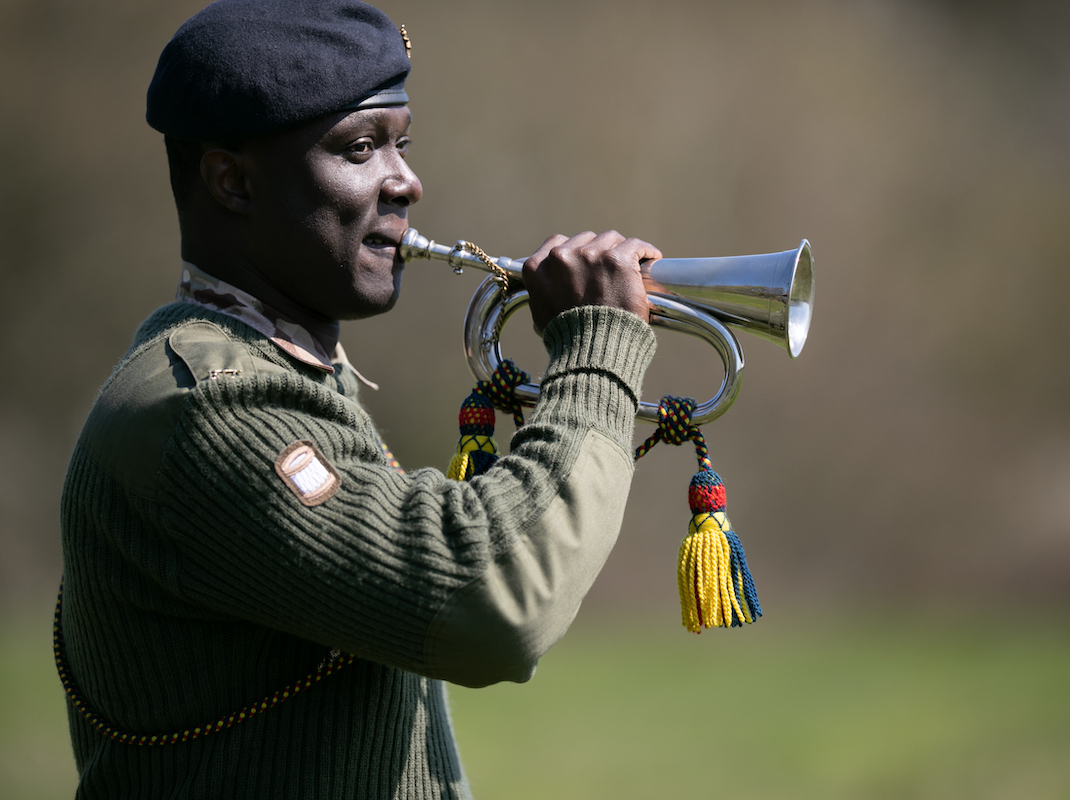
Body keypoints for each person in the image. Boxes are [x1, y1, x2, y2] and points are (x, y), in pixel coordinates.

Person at [56, 1, 659, 797]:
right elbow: (493, 603)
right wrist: (594, 358)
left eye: (401, 144)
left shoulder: (283, 370)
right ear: (232, 181)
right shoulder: (206, 408)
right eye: (360, 148)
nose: (406, 180)